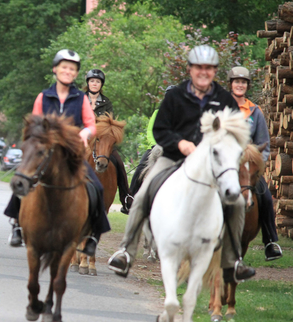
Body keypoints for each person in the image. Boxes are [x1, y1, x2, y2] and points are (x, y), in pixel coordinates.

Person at [108, 45, 256, 282]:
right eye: (199, 67)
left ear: (214, 71)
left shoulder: (225, 99)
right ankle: (126, 251)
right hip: (174, 157)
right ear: (190, 69)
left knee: (237, 201)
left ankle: (234, 261)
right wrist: (181, 144)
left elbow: (236, 132)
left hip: (211, 162)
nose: (203, 72)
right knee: (144, 193)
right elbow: (160, 129)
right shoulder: (175, 96)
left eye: (209, 68)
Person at [5, 49, 111, 254]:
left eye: (72, 69)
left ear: (76, 73)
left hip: (70, 155)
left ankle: (92, 236)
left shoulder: (80, 99)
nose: (67, 71)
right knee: (22, 178)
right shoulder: (43, 97)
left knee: (96, 187)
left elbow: (92, 125)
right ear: (55, 69)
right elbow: (35, 124)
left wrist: (84, 133)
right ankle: (17, 225)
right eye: (64, 67)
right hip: (45, 153)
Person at [229, 66, 282, 261]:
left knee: (266, 197)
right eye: (237, 82)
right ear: (231, 84)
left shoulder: (255, 111)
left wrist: (258, 164)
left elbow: (263, 143)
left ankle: (270, 242)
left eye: (243, 82)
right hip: (226, 164)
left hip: (248, 167)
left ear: (247, 85)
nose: (240, 85)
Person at [85, 69, 132, 214]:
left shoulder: (106, 102)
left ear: (101, 85)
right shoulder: (80, 99)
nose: (94, 84)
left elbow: (109, 123)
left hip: (102, 140)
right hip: (82, 138)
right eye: (92, 81)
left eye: (97, 82)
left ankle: (126, 198)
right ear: (88, 83)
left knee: (118, 162)